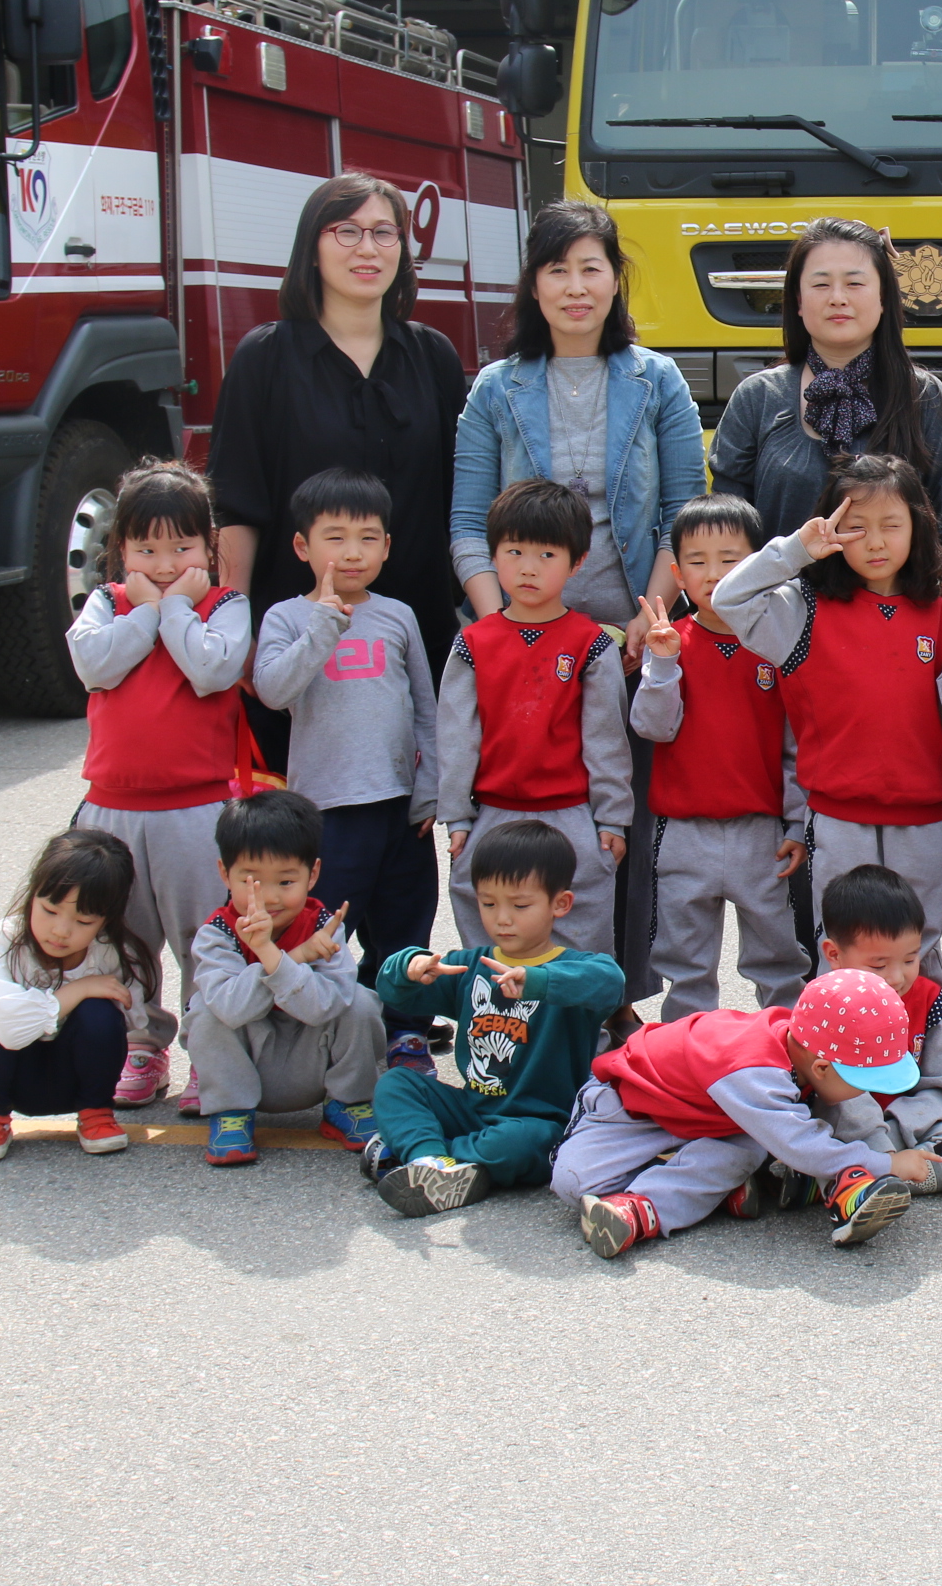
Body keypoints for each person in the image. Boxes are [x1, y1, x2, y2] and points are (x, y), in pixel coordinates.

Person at [210, 171, 470, 740]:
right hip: (299, 634)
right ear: (312, 247)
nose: (367, 248)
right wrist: (237, 625)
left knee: (418, 781)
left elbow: (462, 500)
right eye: (347, 232)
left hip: (417, 629)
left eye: (384, 233)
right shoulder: (265, 358)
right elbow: (236, 505)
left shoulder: (433, 357)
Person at [711, 455, 942, 983]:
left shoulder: (940, 614)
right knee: (845, 956)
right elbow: (728, 599)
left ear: (917, 526)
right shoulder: (802, 608)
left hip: (922, 818)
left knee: (920, 956)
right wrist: (796, 550)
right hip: (837, 818)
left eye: (891, 525)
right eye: (856, 527)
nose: (875, 542)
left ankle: (926, 1041)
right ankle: (842, 1041)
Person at [65, 460, 248, 1108]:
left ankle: (211, 1049)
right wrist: (146, 611)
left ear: (209, 544)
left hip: (198, 809)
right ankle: (141, 1046)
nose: (166, 563)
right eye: (147, 549)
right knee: (124, 941)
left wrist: (171, 609)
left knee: (206, 938)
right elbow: (95, 665)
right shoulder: (106, 604)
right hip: (111, 808)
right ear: (121, 549)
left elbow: (211, 670)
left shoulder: (225, 607)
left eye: (182, 547)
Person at [448, 200, 703, 653]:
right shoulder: (495, 388)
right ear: (533, 285)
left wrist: (651, 617)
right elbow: (469, 522)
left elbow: (683, 515)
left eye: (590, 269)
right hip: (523, 634)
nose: (576, 288)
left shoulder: (659, 380)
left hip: (637, 636)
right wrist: (499, 628)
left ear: (615, 280)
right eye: (558, 271)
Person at [248, 467, 439, 1071]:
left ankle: (405, 1029)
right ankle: (315, 1031)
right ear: (302, 546)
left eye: (367, 538)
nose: (353, 552)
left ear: (387, 546)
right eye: (335, 537)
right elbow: (272, 689)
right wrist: (323, 627)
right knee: (326, 926)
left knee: (406, 924)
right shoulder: (286, 617)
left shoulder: (398, 615)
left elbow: (426, 711)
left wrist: (431, 788)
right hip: (327, 810)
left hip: (400, 804)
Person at [555, 967, 933, 1258]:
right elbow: (800, 1143)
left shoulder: (801, 1044)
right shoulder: (753, 1070)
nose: (867, 1091)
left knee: (747, 1149)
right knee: (575, 1183)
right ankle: (711, 1186)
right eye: (862, 1081)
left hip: (709, 1119)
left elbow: (813, 1126)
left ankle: (645, 1208)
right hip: (632, 1109)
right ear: (820, 1068)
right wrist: (888, 1164)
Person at [364, 821, 626, 1217]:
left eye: (519, 906)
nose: (502, 918)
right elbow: (395, 993)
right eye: (488, 904)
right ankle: (429, 1161)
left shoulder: (573, 969)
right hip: (472, 1109)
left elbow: (610, 983)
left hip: (540, 1121)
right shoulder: (470, 967)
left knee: (519, 1144)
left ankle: (426, 1155)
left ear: (560, 904)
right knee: (396, 1083)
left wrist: (538, 981)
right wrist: (407, 967)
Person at [710, 215, 942, 578]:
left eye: (854, 283)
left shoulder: (922, 396)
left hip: (897, 612)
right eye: (821, 284)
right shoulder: (757, 397)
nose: (838, 298)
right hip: (778, 610)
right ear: (798, 300)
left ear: (884, 298)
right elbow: (727, 537)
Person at [629, 494, 809, 1019]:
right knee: (684, 962)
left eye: (731, 560)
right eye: (698, 561)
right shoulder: (671, 642)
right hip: (684, 832)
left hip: (762, 833)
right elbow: (653, 727)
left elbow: (796, 745)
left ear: (758, 567)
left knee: (777, 957)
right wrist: (664, 666)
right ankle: (686, 1052)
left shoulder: (775, 645)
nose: (713, 574)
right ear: (677, 574)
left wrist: (797, 822)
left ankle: (786, 1046)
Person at [436, 479, 632, 958]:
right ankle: (490, 1005)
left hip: (571, 814)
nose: (528, 568)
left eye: (547, 555)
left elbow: (606, 738)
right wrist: (456, 815)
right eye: (514, 551)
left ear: (577, 561)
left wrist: (612, 816)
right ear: (493, 555)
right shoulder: (473, 644)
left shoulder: (592, 644)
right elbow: (457, 736)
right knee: (487, 927)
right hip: (492, 813)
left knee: (580, 925)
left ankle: (577, 1007)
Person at [180, 791, 385, 1167]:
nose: (270, 898)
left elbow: (326, 1006)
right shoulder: (217, 934)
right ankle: (231, 1113)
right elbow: (231, 1009)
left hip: (312, 1058)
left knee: (359, 1000)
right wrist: (291, 957)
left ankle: (348, 1102)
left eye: (286, 882)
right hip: (246, 1063)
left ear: (313, 874)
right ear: (225, 874)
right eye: (251, 881)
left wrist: (276, 958)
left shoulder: (324, 926)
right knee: (205, 1010)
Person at [0, 830, 158, 1164]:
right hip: (15, 1073)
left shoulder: (113, 953)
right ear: (33, 894)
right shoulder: (3, 940)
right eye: (50, 910)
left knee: (101, 1012)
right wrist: (78, 989)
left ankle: (96, 1113)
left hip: (78, 1079)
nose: (61, 931)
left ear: (106, 920)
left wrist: (91, 1001)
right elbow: (9, 1030)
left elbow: (133, 1021)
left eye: (83, 920)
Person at [813, 864, 942, 1194]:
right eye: (878, 965)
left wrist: (898, 1128)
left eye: (909, 960)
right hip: (844, 1132)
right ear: (834, 954)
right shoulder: (824, 1005)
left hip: (912, 1128)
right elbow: (830, 1094)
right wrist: (882, 1146)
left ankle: (856, 1182)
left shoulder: (931, 1002)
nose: (896, 978)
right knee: (837, 1111)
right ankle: (876, 1173)